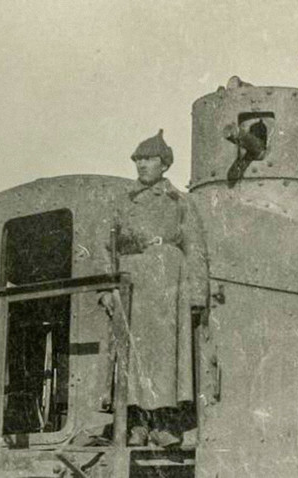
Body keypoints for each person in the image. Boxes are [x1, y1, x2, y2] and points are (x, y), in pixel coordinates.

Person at [99, 129, 209, 447]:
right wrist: (106, 289)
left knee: (166, 355)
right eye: (138, 159)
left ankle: (164, 425)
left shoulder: (180, 202)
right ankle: (136, 425)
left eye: (148, 159)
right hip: (132, 280)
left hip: (168, 282)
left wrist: (196, 294)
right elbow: (106, 246)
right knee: (132, 353)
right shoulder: (123, 202)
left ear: (164, 164)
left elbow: (195, 248)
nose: (141, 164)